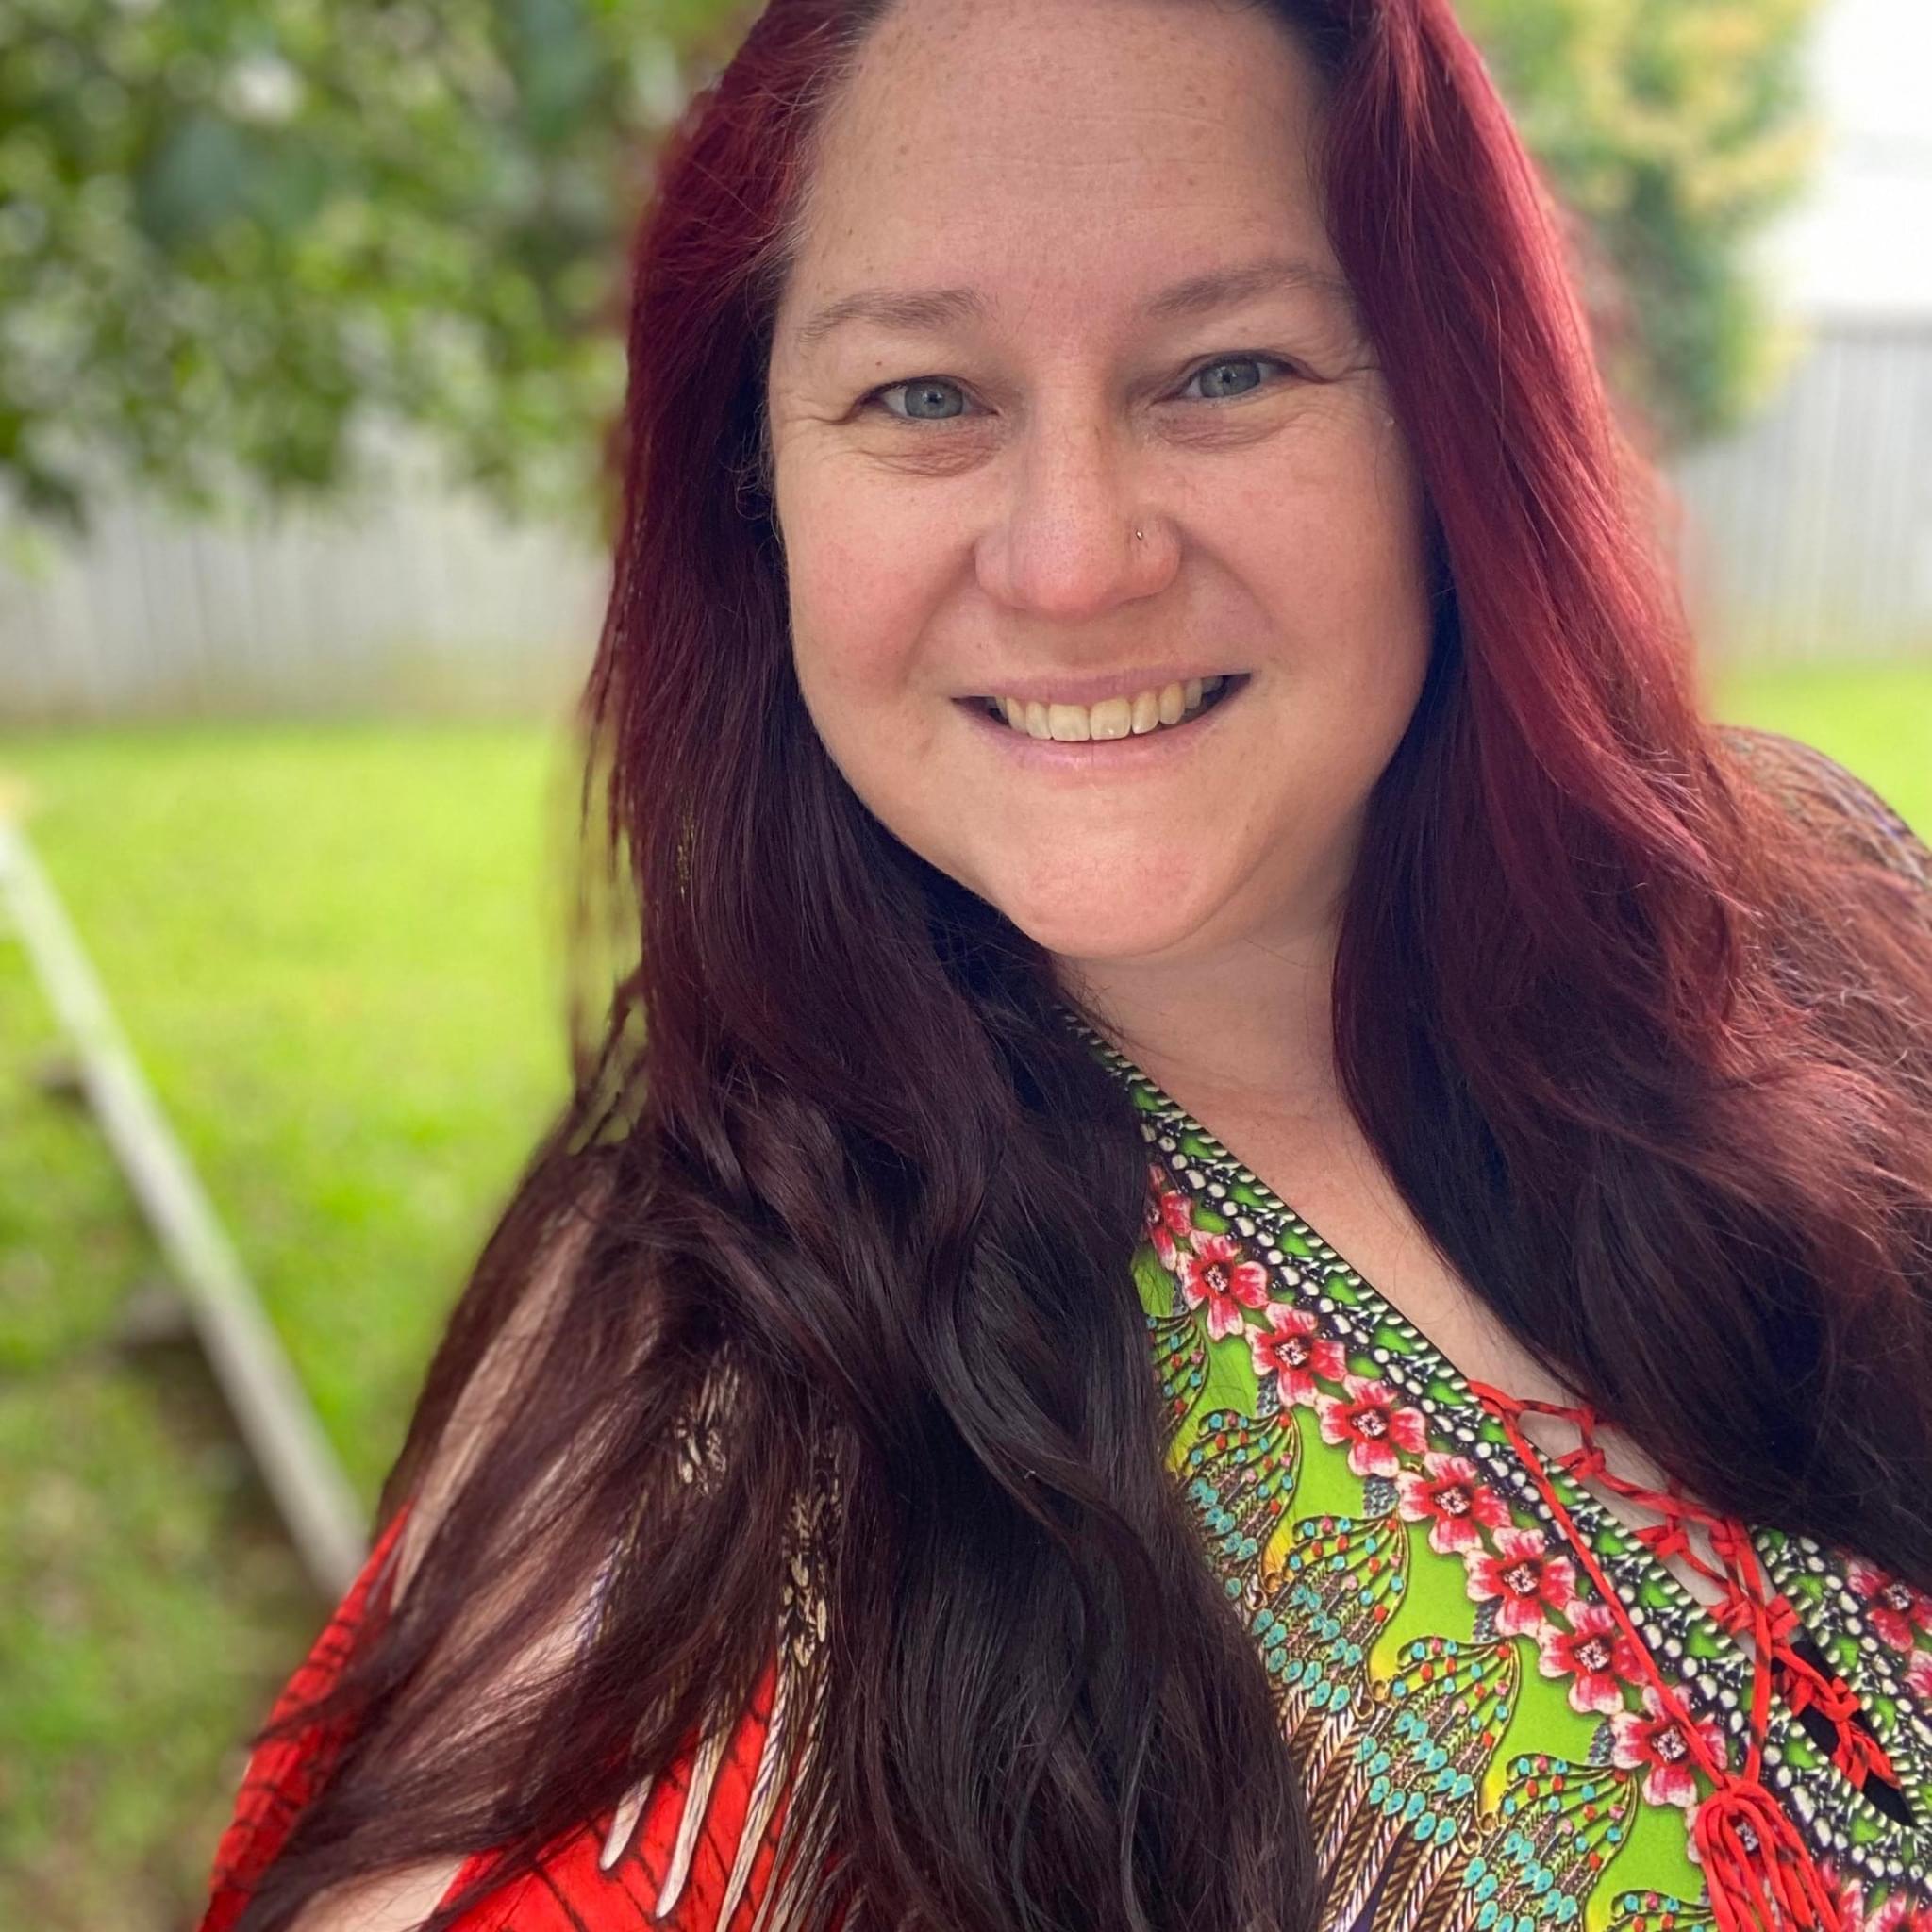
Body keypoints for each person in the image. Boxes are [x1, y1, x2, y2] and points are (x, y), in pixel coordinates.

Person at [197, 0, 1932, 1927]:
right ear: (754, 488)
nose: (1075, 559)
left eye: (1227, 369)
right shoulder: (690, 1377)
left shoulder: (1837, 929)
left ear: (1450, 425)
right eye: (922, 397)